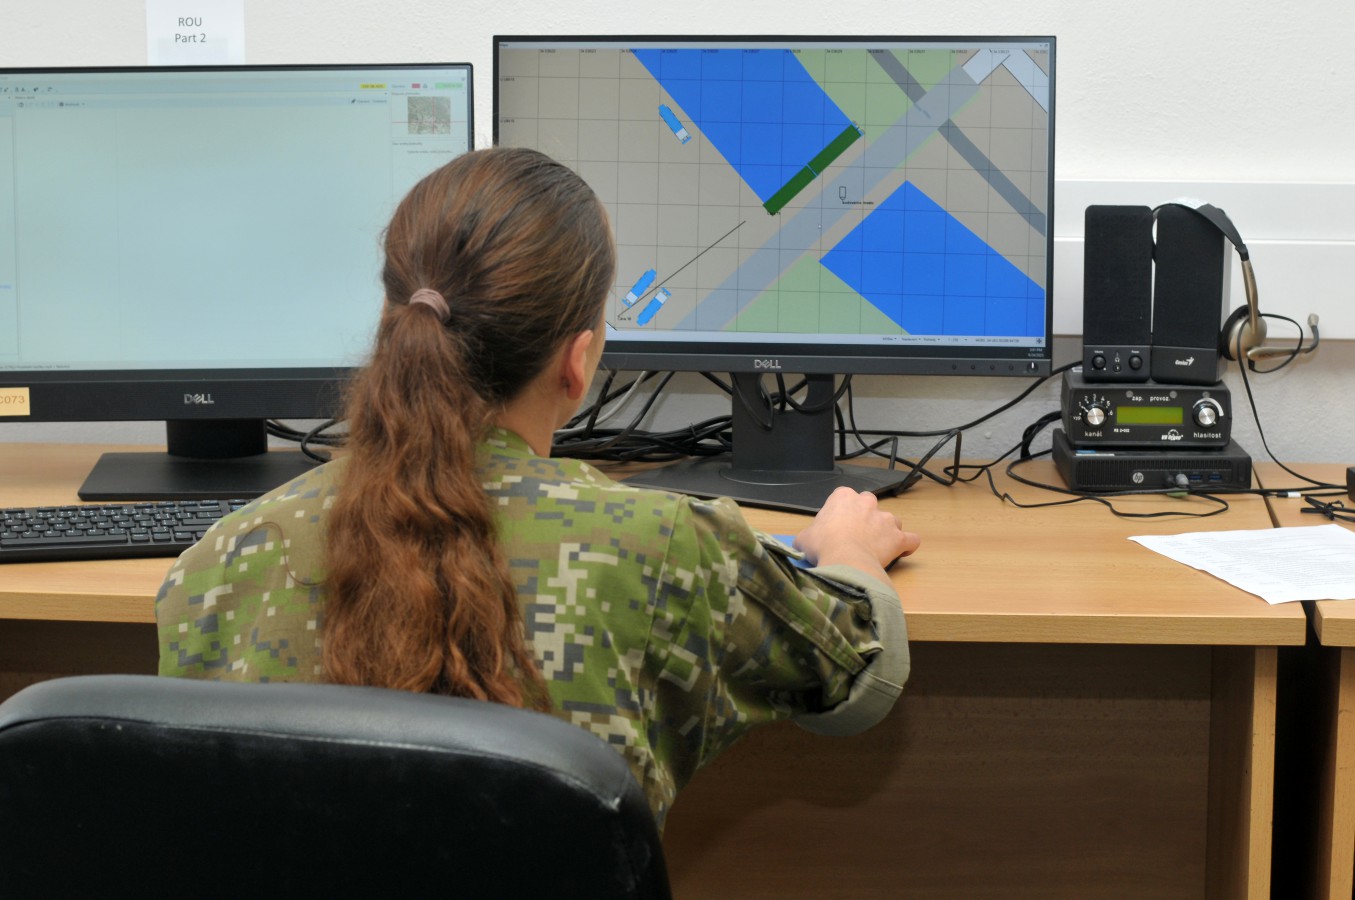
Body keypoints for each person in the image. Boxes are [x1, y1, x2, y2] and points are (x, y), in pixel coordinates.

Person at [156, 146, 920, 829]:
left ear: (391, 326)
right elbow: (859, 675)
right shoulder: (660, 549)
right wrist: (849, 550)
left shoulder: (216, 564)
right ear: (576, 363)